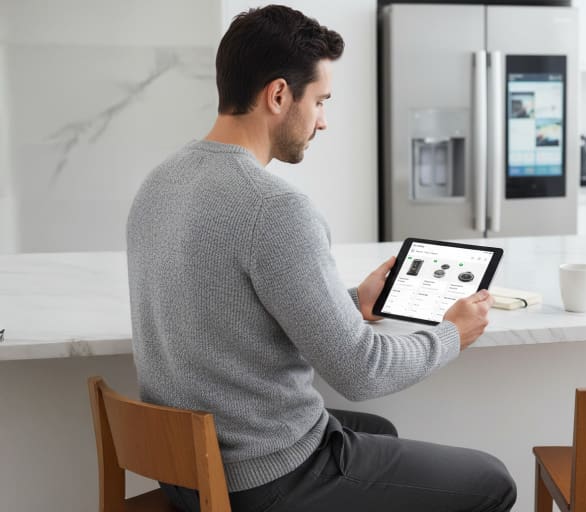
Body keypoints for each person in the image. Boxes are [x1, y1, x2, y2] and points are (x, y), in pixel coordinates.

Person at [126, 5, 516, 512]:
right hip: (260, 479)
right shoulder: (273, 209)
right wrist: (450, 334)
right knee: (494, 480)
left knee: (381, 433)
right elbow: (361, 373)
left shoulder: (160, 181)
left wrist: (353, 302)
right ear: (279, 95)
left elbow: (231, 310)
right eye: (321, 101)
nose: (324, 122)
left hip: (184, 469)